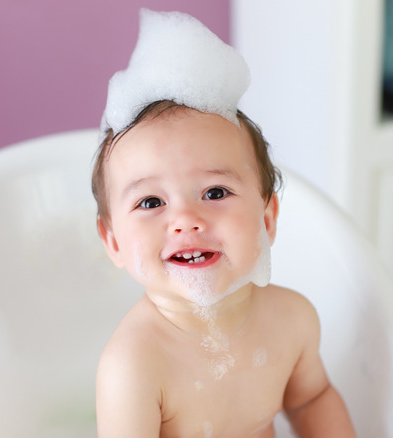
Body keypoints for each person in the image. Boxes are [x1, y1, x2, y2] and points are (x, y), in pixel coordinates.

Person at [91, 9, 357, 438]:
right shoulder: (134, 366)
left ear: (267, 218)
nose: (185, 220)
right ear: (114, 242)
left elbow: (312, 399)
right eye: (151, 201)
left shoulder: (293, 319)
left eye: (215, 193)